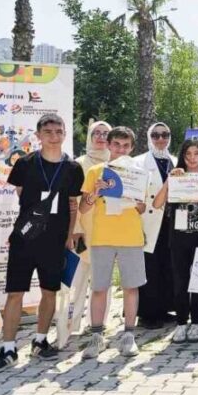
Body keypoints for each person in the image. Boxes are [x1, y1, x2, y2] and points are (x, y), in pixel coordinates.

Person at [0, 113, 84, 373]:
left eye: (59, 131)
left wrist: (68, 236)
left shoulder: (73, 168)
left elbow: (72, 205)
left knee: (49, 291)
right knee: (15, 292)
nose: (54, 136)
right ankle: (8, 348)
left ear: (65, 134)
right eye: (48, 131)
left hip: (55, 241)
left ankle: (40, 341)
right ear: (38, 135)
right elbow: (21, 194)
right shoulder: (25, 164)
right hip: (25, 238)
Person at [79, 126, 149, 359]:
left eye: (126, 146)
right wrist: (94, 194)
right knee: (99, 288)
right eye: (116, 144)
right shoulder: (96, 172)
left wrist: (135, 201)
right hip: (102, 237)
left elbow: (142, 208)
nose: (121, 149)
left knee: (131, 287)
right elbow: (83, 208)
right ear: (108, 145)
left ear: (132, 148)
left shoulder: (139, 173)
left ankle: (128, 335)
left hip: (130, 237)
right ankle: (97, 336)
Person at [152, 137, 198, 343]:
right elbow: (157, 204)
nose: (192, 158)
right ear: (183, 156)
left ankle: (197, 322)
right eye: (188, 154)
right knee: (180, 281)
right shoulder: (176, 177)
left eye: (197, 153)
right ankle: (181, 323)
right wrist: (169, 180)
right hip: (177, 237)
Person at [66, 121, 112, 334]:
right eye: (97, 133)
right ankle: (71, 323)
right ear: (90, 137)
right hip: (83, 228)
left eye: (106, 133)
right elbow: (73, 199)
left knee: (103, 279)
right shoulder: (79, 164)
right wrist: (75, 228)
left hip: (107, 230)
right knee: (78, 279)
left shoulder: (115, 163)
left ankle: (98, 322)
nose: (101, 137)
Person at [135, 122, 175, 329]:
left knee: (167, 266)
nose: (161, 139)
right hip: (148, 221)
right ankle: (147, 314)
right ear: (150, 137)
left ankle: (164, 309)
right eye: (156, 135)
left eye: (165, 134)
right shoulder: (139, 162)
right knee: (149, 267)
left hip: (170, 221)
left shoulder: (175, 161)